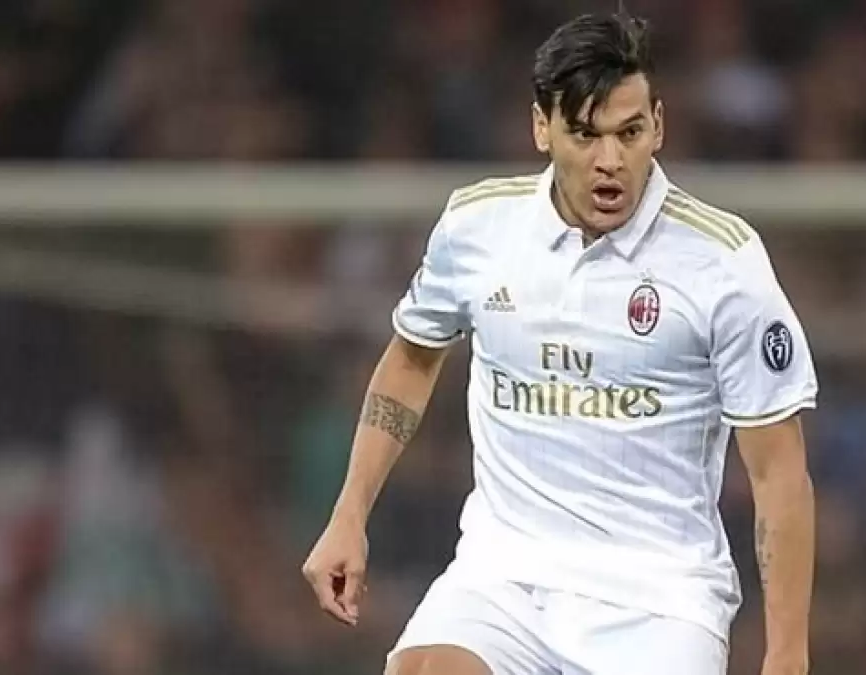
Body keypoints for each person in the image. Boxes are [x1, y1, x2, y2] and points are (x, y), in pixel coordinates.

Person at [302, 11, 818, 675]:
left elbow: (779, 472)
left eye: (630, 132)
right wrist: (349, 514)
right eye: (585, 133)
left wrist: (786, 656)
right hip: (504, 579)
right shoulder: (478, 227)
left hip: (659, 598)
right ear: (541, 127)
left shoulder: (723, 262)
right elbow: (411, 357)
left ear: (658, 125)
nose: (611, 161)